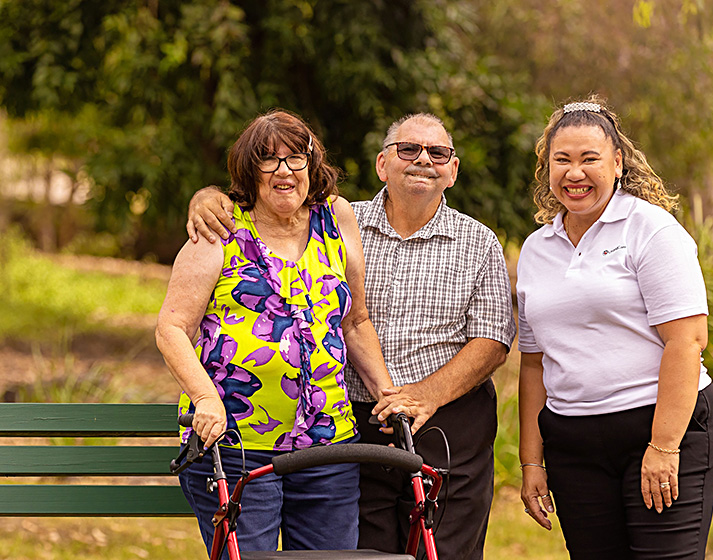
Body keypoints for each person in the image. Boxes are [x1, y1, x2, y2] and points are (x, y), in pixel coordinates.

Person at [187, 112, 517, 559]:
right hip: (356, 423)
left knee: (446, 550)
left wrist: (421, 396)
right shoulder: (343, 219)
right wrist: (207, 197)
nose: (423, 160)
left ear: (452, 170)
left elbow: (493, 339)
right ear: (382, 164)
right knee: (366, 552)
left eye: (437, 152)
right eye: (408, 150)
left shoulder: (478, 242)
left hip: (441, 420)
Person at [156, 109, 393, 556]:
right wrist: (206, 398)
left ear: (311, 165)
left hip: (328, 444)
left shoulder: (336, 217)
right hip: (235, 447)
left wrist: (387, 392)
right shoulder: (219, 229)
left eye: (295, 158)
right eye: (268, 160)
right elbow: (171, 328)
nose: (284, 171)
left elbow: (354, 319)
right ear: (250, 171)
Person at [516, 96, 713, 559]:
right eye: (561, 160)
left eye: (590, 159)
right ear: (547, 168)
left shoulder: (651, 230)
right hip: (574, 447)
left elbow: (686, 341)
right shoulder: (536, 248)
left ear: (617, 163)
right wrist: (532, 460)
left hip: (659, 429)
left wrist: (664, 447)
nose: (575, 173)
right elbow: (533, 364)